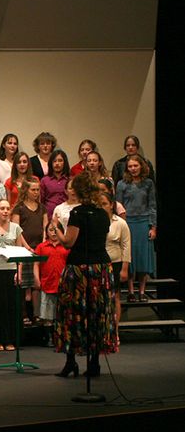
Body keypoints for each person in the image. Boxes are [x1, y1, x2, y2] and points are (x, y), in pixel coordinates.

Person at [53, 171, 117, 378]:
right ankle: (95, 362)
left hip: (80, 269)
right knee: (96, 314)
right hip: (101, 268)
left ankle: (71, 360)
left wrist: (57, 228)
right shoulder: (103, 213)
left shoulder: (78, 213)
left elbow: (69, 242)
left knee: (73, 314)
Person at [0, 199, 27, 352]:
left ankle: (10, 339)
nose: (5, 211)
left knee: (11, 306)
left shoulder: (16, 228)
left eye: (8, 208)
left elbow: (20, 251)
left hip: (11, 269)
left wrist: (19, 271)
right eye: (2, 208)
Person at [116, 155, 157, 303]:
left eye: (136, 166)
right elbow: (118, 206)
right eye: (130, 166)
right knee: (130, 256)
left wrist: (153, 226)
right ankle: (131, 291)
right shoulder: (122, 184)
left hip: (143, 221)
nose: (133, 169)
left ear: (141, 166)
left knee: (142, 257)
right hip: (128, 223)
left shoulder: (148, 184)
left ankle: (142, 291)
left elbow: (152, 206)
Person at [11, 180, 48, 324]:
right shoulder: (19, 208)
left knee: (36, 283)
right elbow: (16, 230)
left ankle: (36, 313)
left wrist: (43, 243)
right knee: (24, 282)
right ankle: (24, 313)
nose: (36, 192)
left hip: (39, 248)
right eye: (33, 190)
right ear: (26, 190)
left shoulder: (42, 208)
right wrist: (26, 246)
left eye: (38, 190)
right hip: (25, 248)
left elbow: (46, 226)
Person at [99, 192, 130, 339]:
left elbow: (126, 246)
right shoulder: (95, 221)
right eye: (99, 204)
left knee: (115, 296)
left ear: (111, 205)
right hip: (99, 263)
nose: (102, 207)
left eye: (104, 204)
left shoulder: (120, 223)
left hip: (116, 262)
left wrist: (124, 269)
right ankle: (101, 330)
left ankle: (114, 330)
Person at [33, 224, 69, 346]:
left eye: (56, 230)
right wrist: (36, 278)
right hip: (47, 283)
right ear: (46, 232)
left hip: (62, 283)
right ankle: (49, 337)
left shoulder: (66, 247)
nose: (53, 233)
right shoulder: (42, 247)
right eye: (51, 230)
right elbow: (36, 264)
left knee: (62, 312)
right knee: (47, 313)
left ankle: (61, 337)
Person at [40, 150, 70, 219]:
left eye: (60, 161)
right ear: (51, 163)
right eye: (54, 161)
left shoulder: (70, 180)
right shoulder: (45, 180)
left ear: (64, 163)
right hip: (49, 216)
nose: (57, 163)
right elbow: (41, 201)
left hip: (66, 216)